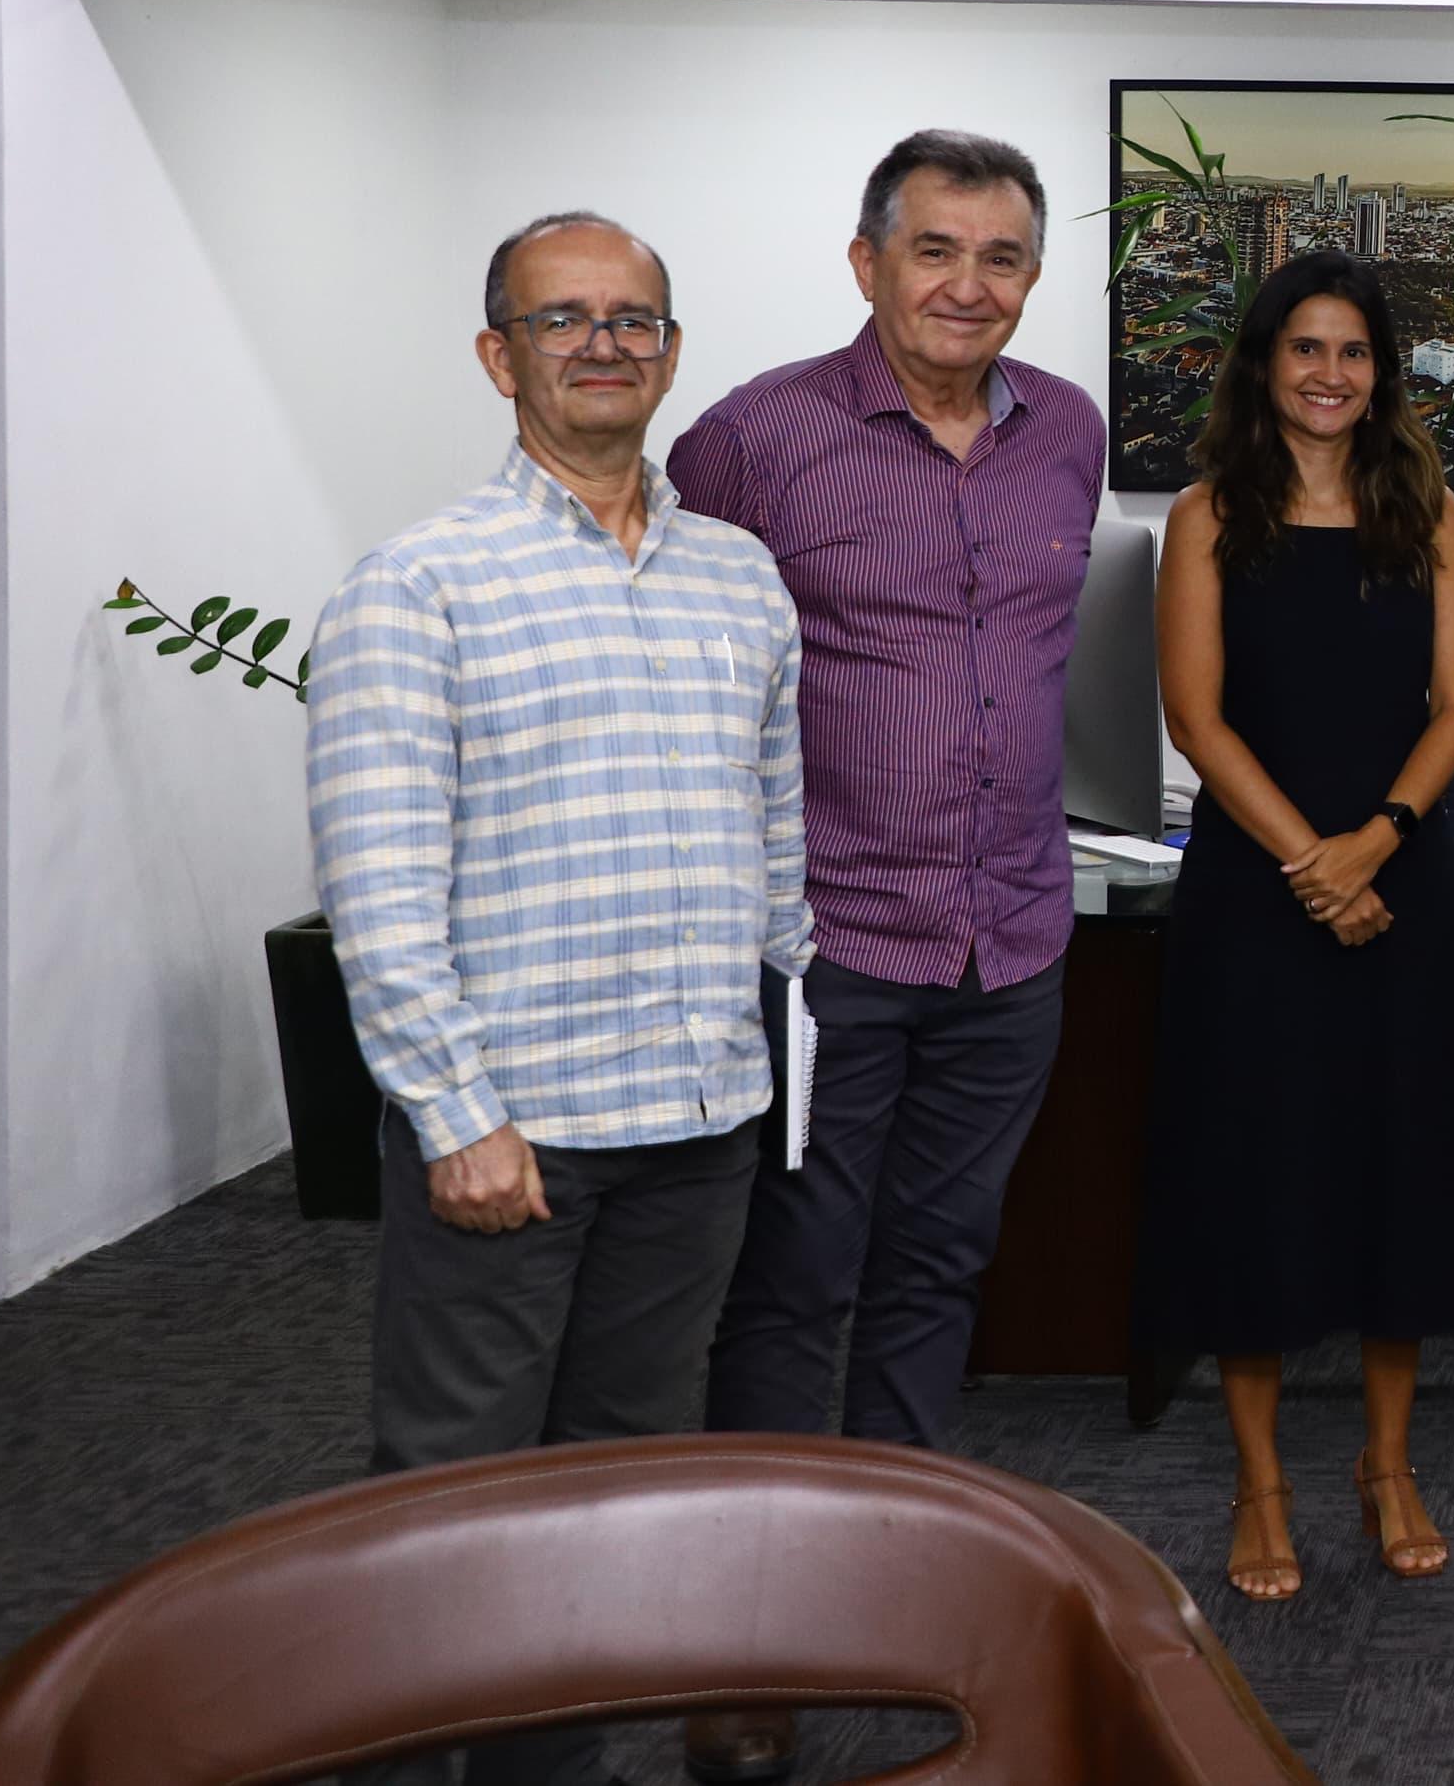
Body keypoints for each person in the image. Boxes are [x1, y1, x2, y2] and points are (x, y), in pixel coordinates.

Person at [308, 213, 809, 1786]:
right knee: (445, 1503)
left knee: (614, 1500)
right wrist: (454, 1114)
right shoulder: (420, 586)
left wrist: (776, 1053)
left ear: (672, 351)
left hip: (696, 1126)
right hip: (514, 1139)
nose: (604, 344)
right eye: (563, 318)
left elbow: (775, 830)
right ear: (497, 354)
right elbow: (378, 889)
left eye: (634, 319)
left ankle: (554, 1772)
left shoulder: (739, 576)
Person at [670, 130, 1104, 1786]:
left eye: (1001, 256)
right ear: (867, 262)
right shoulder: (756, 438)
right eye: (935, 249)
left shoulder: (1064, 431)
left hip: (1013, 937)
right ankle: (753, 1641)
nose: (967, 286)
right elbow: (684, 661)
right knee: (796, 1286)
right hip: (829, 943)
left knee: (941, 1269)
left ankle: (902, 1589)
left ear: (1032, 275)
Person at [1135, 252, 1454, 1599]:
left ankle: (1387, 1463)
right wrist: (1311, 864)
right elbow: (1195, 718)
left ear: (1380, 371)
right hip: (1257, 898)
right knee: (1256, 1177)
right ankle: (1261, 1479)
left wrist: (1374, 842)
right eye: (1304, 349)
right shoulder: (1207, 514)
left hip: (1401, 884)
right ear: (1264, 364)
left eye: (1352, 351)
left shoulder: (1429, 511)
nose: (1328, 374)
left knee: (1403, 1174)